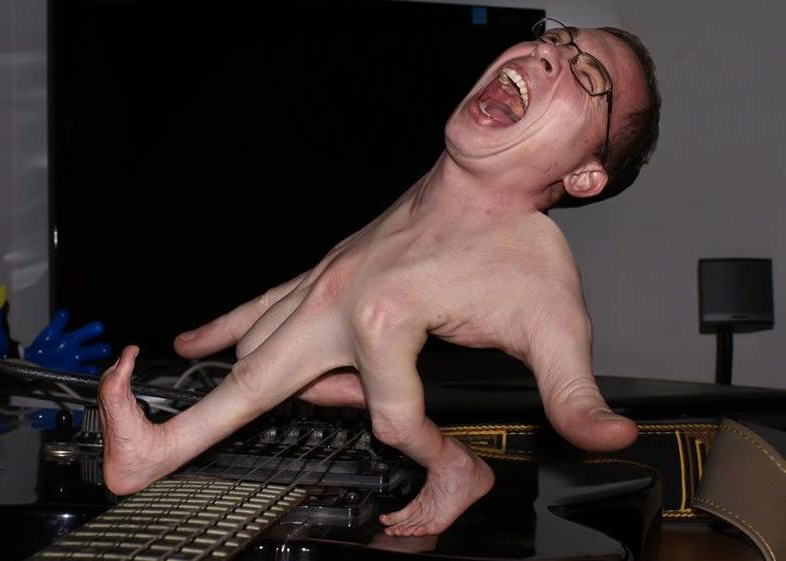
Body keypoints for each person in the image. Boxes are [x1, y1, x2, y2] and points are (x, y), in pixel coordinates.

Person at [98, 19, 661, 537]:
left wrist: (585, 412)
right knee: (263, 348)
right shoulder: (441, 180)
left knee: (341, 372)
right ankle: (447, 459)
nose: (547, 52)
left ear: (583, 176)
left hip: (392, 374)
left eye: (589, 75)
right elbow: (364, 256)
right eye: (555, 38)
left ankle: (159, 450)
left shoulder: (537, 262)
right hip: (368, 345)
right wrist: (331, 279)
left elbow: (570, 381)